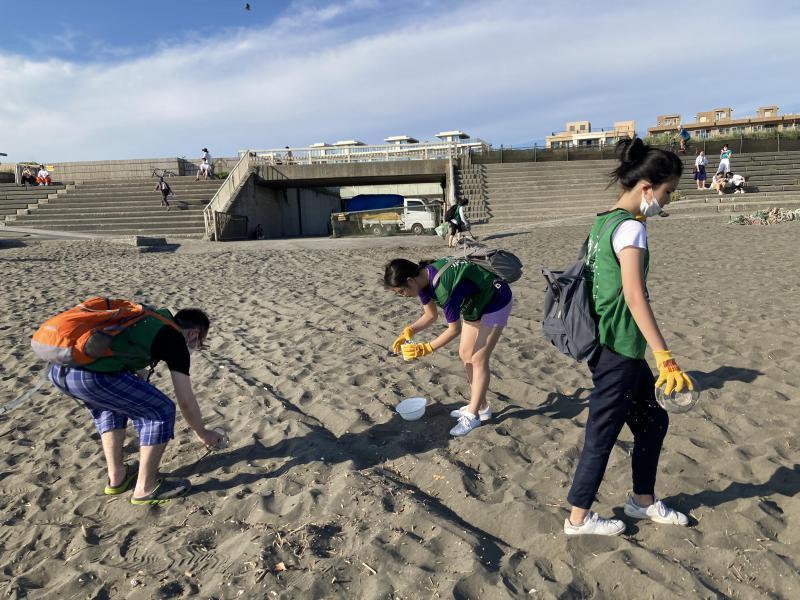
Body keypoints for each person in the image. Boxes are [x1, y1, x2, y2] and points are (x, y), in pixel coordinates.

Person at [563, 137, 692, 536]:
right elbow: (635, 297)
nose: (669, 200)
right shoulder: (632, 231)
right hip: (618, 347)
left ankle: (641, 501)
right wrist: (664, 356)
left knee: (652, 420)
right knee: (602, 434)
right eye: (668, 191)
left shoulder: (604, 221)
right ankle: (578, 519)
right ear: (647, 188)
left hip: (611, 345)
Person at [47, 306, 224, 504]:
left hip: (59, 371)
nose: (195, 346)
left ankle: (117, 477)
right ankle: (145, 488)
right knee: (161, 410)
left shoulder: (149, 320)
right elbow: (185, 400)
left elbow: (134, 374)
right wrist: (202, 433)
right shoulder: (173, 339)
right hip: (91, 377)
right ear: (194, 333)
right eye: (199, 342)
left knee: (113, 406)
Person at [384, 255, 512, 437]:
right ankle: (482, 407)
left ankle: (473, 415)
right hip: (474, 303)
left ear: (410, 281)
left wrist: (425, 348)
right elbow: (430, 316)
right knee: (465, 354)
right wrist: (409, 330)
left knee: (478, 358)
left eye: (401, 292)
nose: (402, 297)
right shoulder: (422, 281)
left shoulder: (444, 288)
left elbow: (454, 329)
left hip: (495, 300)